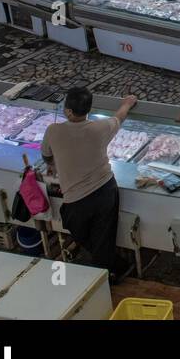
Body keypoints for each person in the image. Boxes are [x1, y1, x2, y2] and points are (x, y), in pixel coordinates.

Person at [41, 88, 138, 280]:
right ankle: (116, 267)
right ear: (88, 109)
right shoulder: (100, 128)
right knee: (103, 237)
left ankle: (108, 277)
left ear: (68, 111)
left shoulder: (53, 130)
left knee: (89, 236)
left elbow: (46, 156)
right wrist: (127, 103)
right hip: (105, 191)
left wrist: (54, 165)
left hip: (77, 198)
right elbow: (119, 117)